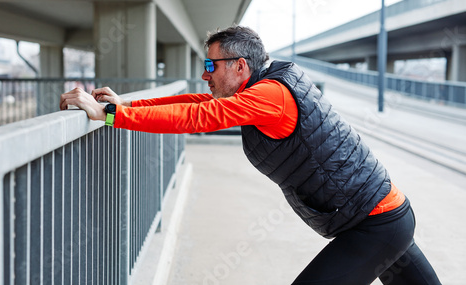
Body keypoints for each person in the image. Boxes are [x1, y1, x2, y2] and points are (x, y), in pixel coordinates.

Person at [60, 25, 441, 284]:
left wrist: (111, 116)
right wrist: (126, 104)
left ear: (240, 66)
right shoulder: (258, 90)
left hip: (376, 225)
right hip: (382, 216)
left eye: (211, 65)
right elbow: (195, 100)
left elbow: (199, 115)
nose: (206, 75)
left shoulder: (271, 95)